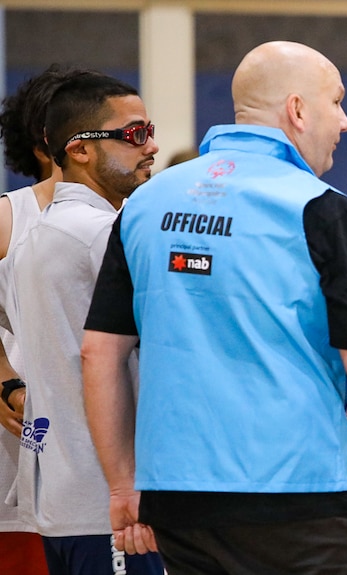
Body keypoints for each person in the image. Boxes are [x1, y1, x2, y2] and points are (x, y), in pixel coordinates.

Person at [81, 41, 347, 575]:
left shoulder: (144, 204)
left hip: (178, 497)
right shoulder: (323, 209)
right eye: (337, 102)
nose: (346, 121)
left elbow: (99, 354)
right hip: (297, 494)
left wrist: (123, 485)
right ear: (298, 110)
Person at [0, 71, 164, 575]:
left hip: (65, 501)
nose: (151, 146)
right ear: (81, 149)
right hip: (115, 507)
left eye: (149, 129)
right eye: (134, 134)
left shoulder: (35, 236)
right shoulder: (105, 234)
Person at [0, 63, 81, 575]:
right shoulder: (9, 215)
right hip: (22, 428)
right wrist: (5, 380)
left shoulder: (133, 217)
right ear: (46, 141)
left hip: (100, 436)